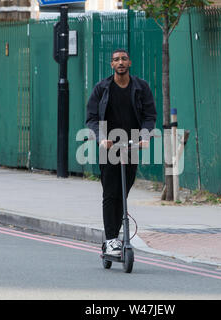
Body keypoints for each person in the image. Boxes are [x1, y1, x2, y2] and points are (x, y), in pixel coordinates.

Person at [86, 49, 157, 256]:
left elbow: (149, 115)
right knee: (111, 193)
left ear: (130, 62)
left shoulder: (141, 87)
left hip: (131, 145)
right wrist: (101, 139)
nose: (120, 62)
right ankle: (110, 240)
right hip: (109, 146)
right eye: (116, 60)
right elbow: (91, 118)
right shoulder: (102, 88)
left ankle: (115, 237)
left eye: (124, 59)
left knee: (123, 194)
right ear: (111, 65)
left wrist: (144, 136)